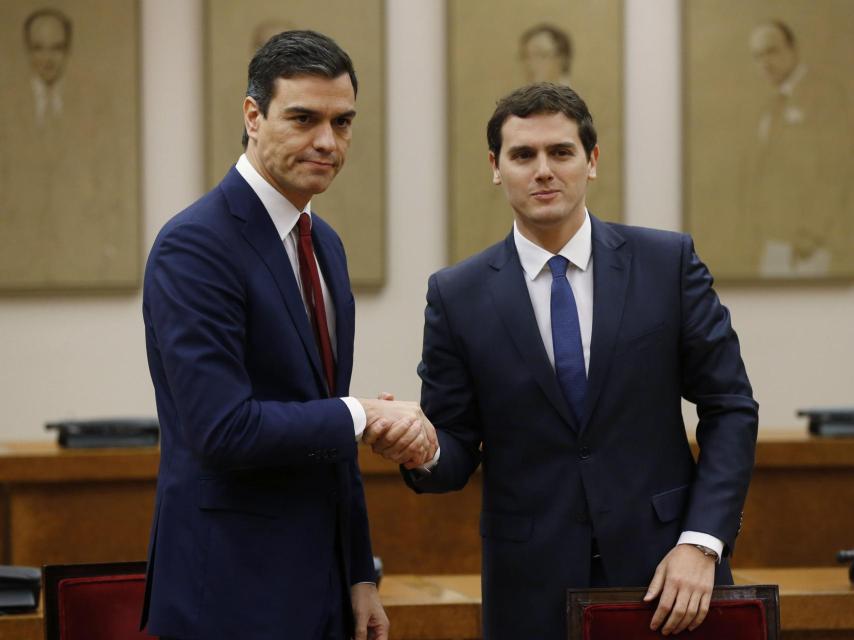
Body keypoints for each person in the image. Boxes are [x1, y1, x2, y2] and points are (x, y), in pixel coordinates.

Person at [401, 83, 758, 639]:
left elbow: (730, 406)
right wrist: (418, 447)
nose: (543, 170)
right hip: (530, 590)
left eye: (560, 152)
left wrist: (701, 542)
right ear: (496, 167)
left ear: (591, 161)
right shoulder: (456, 294)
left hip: (671, 576)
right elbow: (453, 450)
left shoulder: (666, 264)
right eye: (523, 155)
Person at [141, 30, 435, 640]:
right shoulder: (195, 245)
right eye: (303, 118)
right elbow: (224, 430)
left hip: (322, 588)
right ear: (253, 116)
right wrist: (359, 416)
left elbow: (324, 427)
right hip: (227, 593)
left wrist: (359, 573)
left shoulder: (323, 242)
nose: (327, 142)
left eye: (343, 122)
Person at [743, 20, 851, 277]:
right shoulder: (770, 106)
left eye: (772, 51)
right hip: (772, 239)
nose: (765, 62)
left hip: (808, 244)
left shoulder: (825, 96)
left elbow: (837, 168)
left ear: (793, 50)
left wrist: (812, 233)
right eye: (758, 56)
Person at [23, 8, 72, 124]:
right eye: (38, 48)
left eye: (57, 48)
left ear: (68, 50)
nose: (48, 59)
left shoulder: (90, 102)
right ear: (27, 50)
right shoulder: (6, 101)